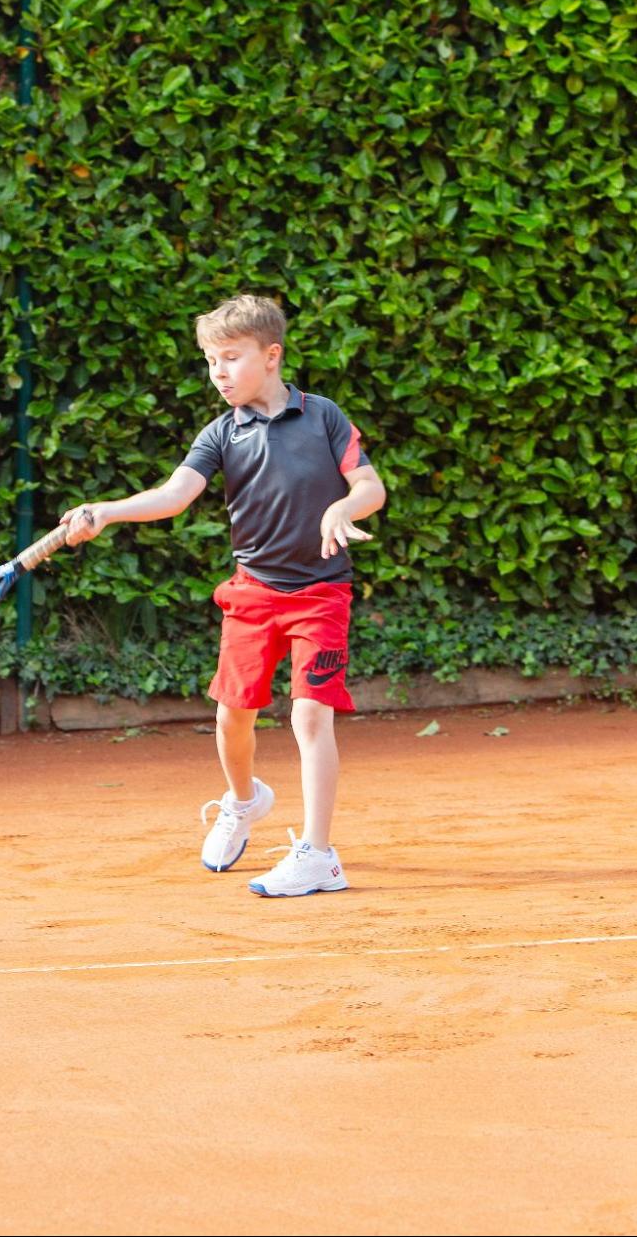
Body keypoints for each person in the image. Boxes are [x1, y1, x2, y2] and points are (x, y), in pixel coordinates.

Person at [59, 295, 387, 897]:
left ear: (271, 356)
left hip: (321, 595)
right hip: (253, 592)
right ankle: (244, 802)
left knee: (310, 714)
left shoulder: (324, 418)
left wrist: (343, 505)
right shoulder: (219, 434)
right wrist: (105, 512)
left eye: (230, 358)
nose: (217, 372)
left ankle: (318, 854)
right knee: (231, 717)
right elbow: (174, 494)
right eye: (211, 360)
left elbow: (369, 485)